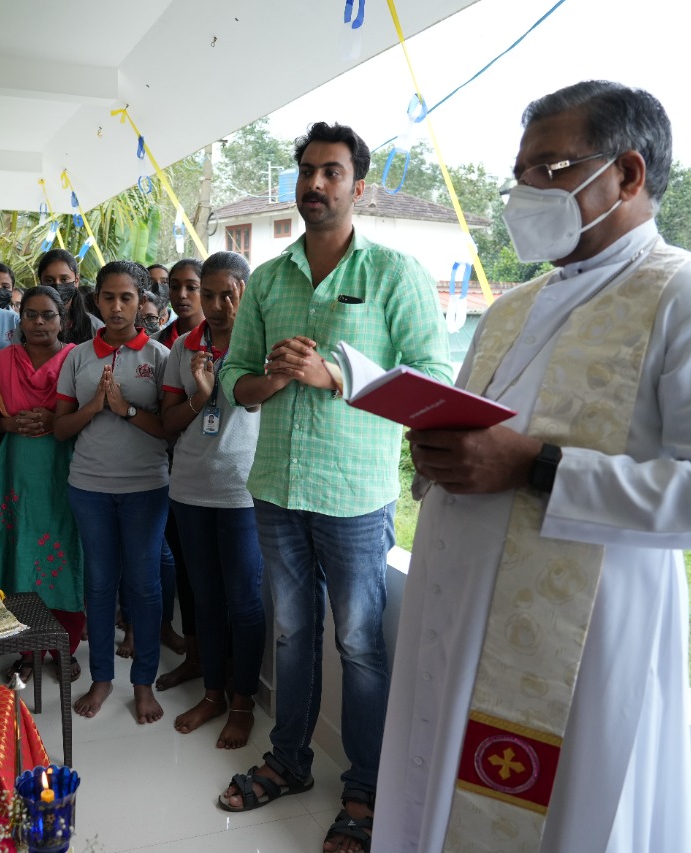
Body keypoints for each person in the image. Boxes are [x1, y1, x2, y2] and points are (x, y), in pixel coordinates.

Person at [377, 81, 691, 853]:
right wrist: (440, 452)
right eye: (520, 174)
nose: (524, 192)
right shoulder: (510, 307)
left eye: (549, 168)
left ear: (628, 174)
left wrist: (538, 468)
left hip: (577, 658)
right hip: (455, 621)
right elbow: (480, 434)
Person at [216, 121, 452, 853]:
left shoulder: (395, 273)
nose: (315, 184)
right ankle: (289, 759)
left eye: (331, 172)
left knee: (357, 643)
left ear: (358, 185)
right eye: (307, 172)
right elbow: (233, 381)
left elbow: (433, 382)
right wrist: (276, 375)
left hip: (355, 495)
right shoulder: (268, 278)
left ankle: (366, 789)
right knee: (291, 634)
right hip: (277, 489)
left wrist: (337, 377)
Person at [54, 260, 170, 725]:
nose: (117, 306)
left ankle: (143, 682)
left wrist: (124, 410)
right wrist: (95, 407)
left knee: (144, 584)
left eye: (127, 297)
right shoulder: (78, 357)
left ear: (142, 302)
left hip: (146, 487)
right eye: (109, 297)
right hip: (89, 487)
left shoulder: (160, 358)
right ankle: (102, 678)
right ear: (95, 300)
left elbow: (168, 430)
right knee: (99, 584)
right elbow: (61, 429)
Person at [161, 251, 263, 750]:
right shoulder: (184, 346)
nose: (217, 305)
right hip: (190, 487)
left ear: (245, 293)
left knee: (244, 602)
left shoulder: (260, 343)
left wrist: (243, 340)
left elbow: (259, 400)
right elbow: (167, 421)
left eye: (228, 294)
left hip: (243, 491)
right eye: (209, 294)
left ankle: (242, 703)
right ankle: (214, 693)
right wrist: (199, 396)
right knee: (204, 597)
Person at [0, 285, 85, 683]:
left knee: (66, 549)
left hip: (65, 467)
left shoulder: (78, 359)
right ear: (19, 320)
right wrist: (8, 423)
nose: (39, 322)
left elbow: (91, 411)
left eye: (48, 315)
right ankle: (26, 648)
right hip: (16, 470)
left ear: (64, 320)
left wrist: (56, 421)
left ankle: (65, 646)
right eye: (31, 315)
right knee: (17, 551)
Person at [38, 249, 103, 345]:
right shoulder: (29, 323)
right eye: (49, 280)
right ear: (41, 282)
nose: (57, 285)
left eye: (64, 279)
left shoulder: (94, 327)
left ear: (76, 281)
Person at [156, 258, 204, 348]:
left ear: (206, 291)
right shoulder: (155, 345)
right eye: (174, 287)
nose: (181, 294)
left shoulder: (224, 342)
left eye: (191, 287)